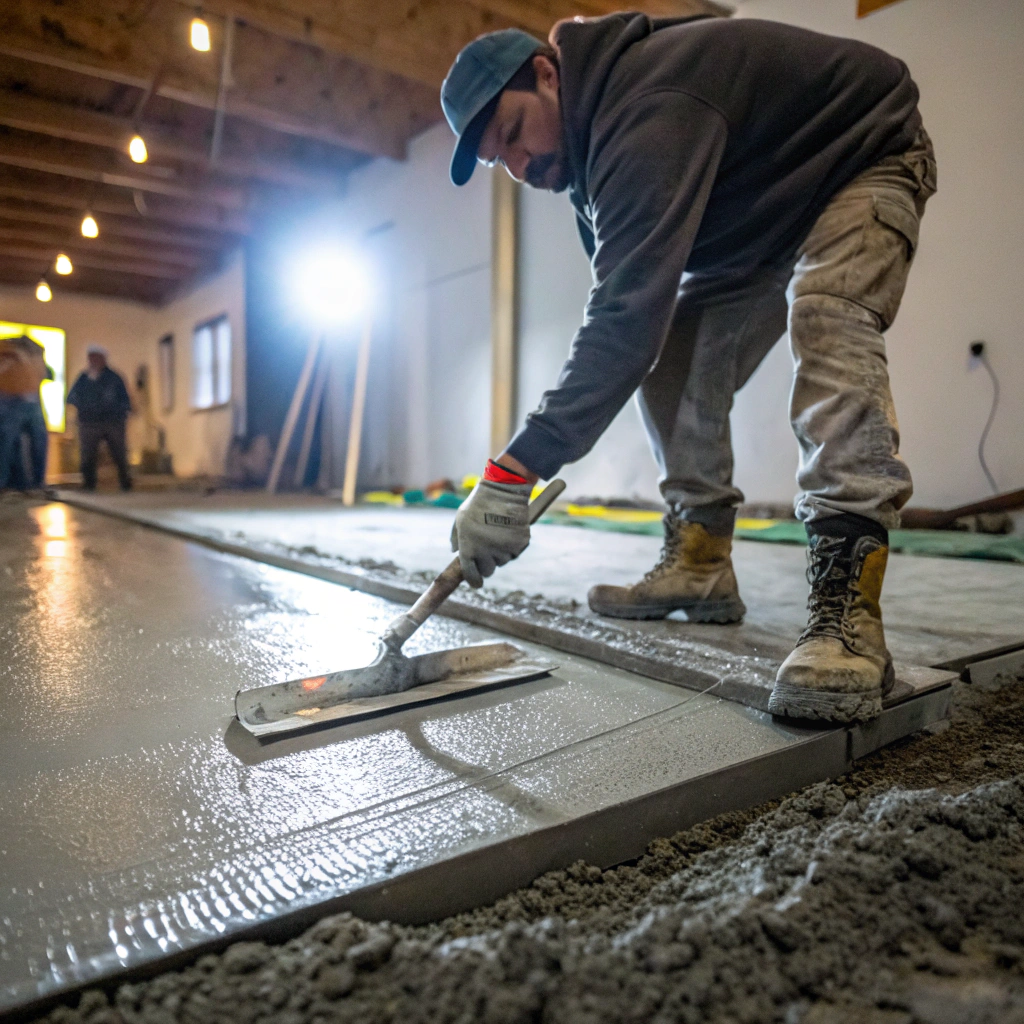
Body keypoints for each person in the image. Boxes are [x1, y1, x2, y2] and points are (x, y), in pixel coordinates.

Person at [441, 14, 936, 724]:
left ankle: (846, 613)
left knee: (827, 313)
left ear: (547, 76)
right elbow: (631, 320)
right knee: (671, 358)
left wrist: (513, 473)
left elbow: (622, 323)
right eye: (501, 161)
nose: (519, 167)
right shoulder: (589, 169)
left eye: (514, 134)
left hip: (863, 153)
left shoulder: (647, 107)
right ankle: (700, 561)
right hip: (769, 217)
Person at [67, 345, 133, 491]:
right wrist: (84, 408)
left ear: (103, 359)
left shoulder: (114, 378)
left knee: (119, 453)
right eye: (91, 357)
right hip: (89, 423)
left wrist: (119, 412)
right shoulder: (83, 378)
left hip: (112, 422)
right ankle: (89, 484)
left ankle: (125, 483)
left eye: (96, 357)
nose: (93, 360)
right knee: (87, 455)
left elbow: (124, 399)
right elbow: (71, 397)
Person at [0, 334, 52, 491]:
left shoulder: (31, 359)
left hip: (28, 402)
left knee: (28, 443)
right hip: (13, 402)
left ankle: (34, 482)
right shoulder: (8, 354)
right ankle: (10, 482)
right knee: (8, 444)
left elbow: (45, 375)